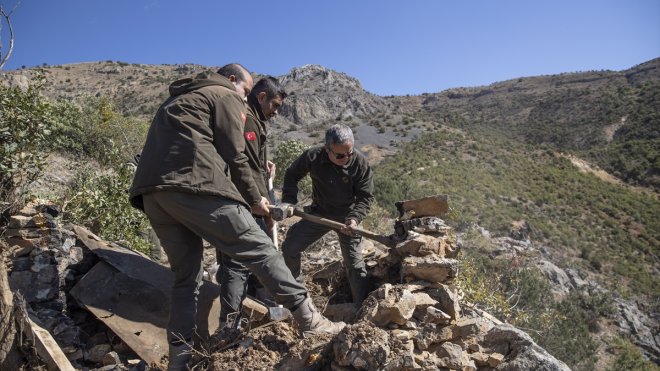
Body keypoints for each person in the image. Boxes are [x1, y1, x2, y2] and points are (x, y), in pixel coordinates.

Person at [129, 64, 344, 371]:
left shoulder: (177, 100)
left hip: (153, 194)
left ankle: (180, 359)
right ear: (233, 80)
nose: (246, 98)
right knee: (261, 249)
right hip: (195, 185)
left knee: (186, 279)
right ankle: (311, 321)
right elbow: (236, 153)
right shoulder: (224, 93)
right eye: (246, 90)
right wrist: (258, 200)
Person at [218, 76, 286, 327]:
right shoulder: (246, 116)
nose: (277, 112)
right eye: (275, 105)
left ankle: (260, 315)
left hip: (249, 201)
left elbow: (252, 163)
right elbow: (241, 165)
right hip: (243, 202)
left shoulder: (255, 120)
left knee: (258, 260)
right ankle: (229, 326)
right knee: (239, 262)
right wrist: (261, 202)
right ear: (261, 97)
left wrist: (264, 164)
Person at [280, 123, 374, 305]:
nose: (346, 158)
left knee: (355, 265)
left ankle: (361, 308)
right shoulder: (313, 156)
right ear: (327, 149)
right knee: (290, 248)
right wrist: (289, 200)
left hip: (348, 218)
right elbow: (292, 174)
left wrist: (354, 219)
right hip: (319, 214)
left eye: (350, 153)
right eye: (340, 155)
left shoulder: (360, 163)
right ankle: (297, 298)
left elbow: (365, 198)